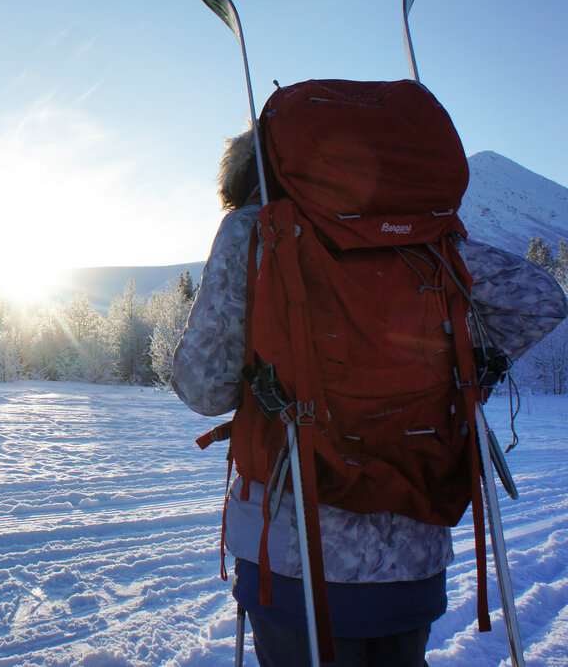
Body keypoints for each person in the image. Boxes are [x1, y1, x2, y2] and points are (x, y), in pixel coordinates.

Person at [172, 129, 568, 666]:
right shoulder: (424, 235)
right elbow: (540, 301)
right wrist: (465, 360)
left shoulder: (254, 230)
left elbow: (202, 386)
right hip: (413, 554)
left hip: (296, 559)